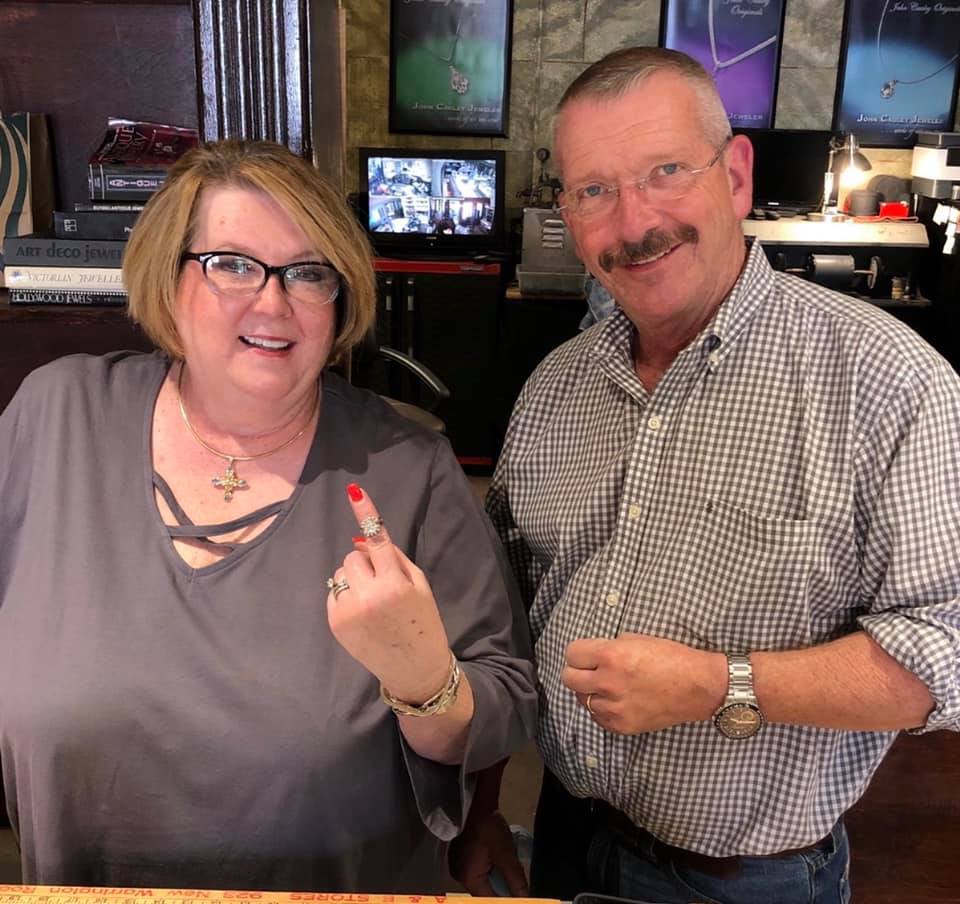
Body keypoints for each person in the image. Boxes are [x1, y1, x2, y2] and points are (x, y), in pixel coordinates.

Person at [464, 47, 960, 904]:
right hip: (564, 834)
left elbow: (947, 653)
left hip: (747, 881)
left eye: (666, 171)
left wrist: (720, 685)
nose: (634, 222)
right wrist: (480, 810)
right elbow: (499, 624)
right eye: (594, 191)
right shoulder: (554, 387)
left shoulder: (889, 381)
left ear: (734, 176)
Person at [0, 139, 537, 892]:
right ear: (168, 274)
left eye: (309, 273)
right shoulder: (56, 416)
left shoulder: (409, 468)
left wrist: (424, 679)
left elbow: (505, 705)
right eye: (232, 264)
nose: (273, 303)